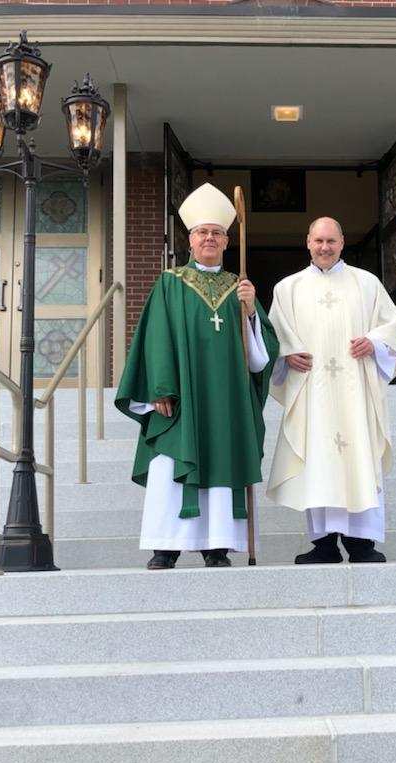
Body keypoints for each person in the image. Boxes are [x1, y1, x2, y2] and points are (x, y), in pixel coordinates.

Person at [115, 183, 279, 569]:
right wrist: (160, 388)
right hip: (181, 396)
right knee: (172, 461)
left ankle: (216, 545)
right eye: (202, 232)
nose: (210, 238)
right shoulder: (170, 283)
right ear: (190, 240)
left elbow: (260, 358)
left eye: (217, 233)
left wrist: (252, 312)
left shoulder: (239, 288)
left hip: (225, 399)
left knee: (221, 455)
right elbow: (155, 336)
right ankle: (165, 546)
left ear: (226, 241)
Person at [267, 217, 396, 564]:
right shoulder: (288, 288)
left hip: (355, 392)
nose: (324, 247)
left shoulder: (366, 283)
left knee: (357, 456)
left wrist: (373, 343)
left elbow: (389, 327)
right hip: (312, 392)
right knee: (317, 461)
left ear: (342, 242)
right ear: (307, 242)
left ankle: (362, 545)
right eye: (318, 241)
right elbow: (275, 337)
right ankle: (324, 543)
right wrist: (285, 355)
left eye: (331, 241)